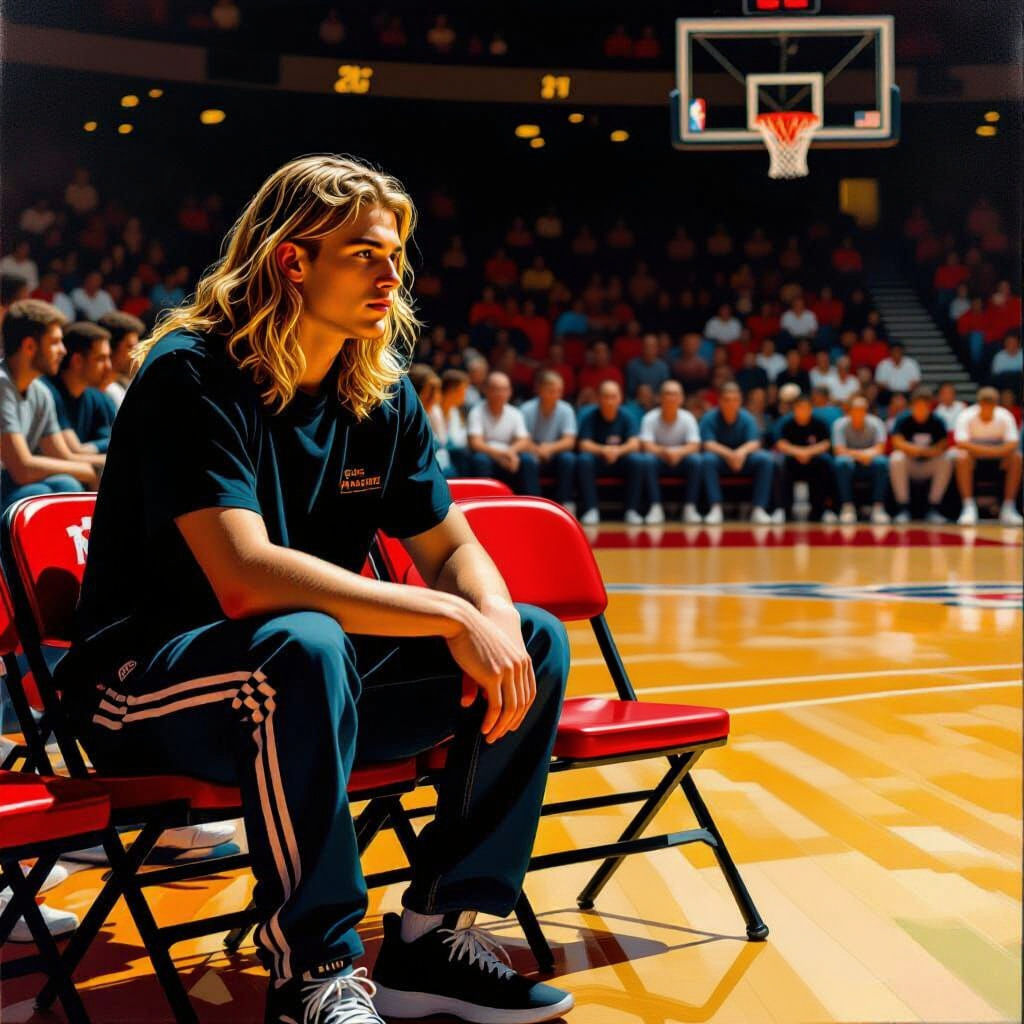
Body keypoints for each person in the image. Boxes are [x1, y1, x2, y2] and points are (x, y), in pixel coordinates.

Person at [52, 156, 574, 1024]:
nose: (392, 274)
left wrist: (485, 615)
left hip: (301, 682)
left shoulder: (378, 386)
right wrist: (447, 614)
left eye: (396, 255)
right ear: (293, 261)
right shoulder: (192, 373)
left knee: (536, 638)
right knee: (305, 643)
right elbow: (245, 578)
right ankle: (315, 973)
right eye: (366, 253)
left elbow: (454, 547)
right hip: (146, 691)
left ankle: (430, 937)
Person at [0, 300, 98, 511]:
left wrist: (101, 466)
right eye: (54, 342)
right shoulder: (1, 384)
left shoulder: (41, 392)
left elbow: (62, 456)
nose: (63, 351)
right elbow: (22, 469)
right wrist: (88, 470)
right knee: (41, 495)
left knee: (66, 484)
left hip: (9, 485)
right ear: (29, 346)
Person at [576, 379, 651, 525]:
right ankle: (591, 509)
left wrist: (617, 451)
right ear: (598, 398)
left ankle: (632, 510)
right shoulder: (590, 417)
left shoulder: (628, 416)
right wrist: (603, 449)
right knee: (584, 460)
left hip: (620, 460)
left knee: (637, 460)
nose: (610, 401)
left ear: (620, 398)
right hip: (598, 460)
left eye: (613, 396)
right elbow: (584, 444)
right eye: (606, 396)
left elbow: (634, 444)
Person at [699, 382, 775, 524]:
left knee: (765, 459)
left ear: (740, 401)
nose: (731, 403)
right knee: (707, 459)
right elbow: (708, 444)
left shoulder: (747, 417)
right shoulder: (709, 417)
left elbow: (754, 442)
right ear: (720, 401)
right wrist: (730, 454)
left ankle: (759, 509)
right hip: (720, 460)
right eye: (727, 400)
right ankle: (715, 508)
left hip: (743, 459)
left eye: (735, 400)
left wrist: (740, 452)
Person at [39, 321, 116, 458]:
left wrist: (93, 448)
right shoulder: (47, 391)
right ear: (77, 361)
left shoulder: (96, 397)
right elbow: (74, 451)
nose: (109, 366)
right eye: (101, 359)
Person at [953, 386, 1023, 526]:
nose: (987, 408)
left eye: (990, 404)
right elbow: (961, 443)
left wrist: (987, 451)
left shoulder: (1005, 416)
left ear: (996, 405)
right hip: (974, 461)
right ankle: (968, 507)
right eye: (984, 404)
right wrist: (994, 451)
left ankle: (1009, 508)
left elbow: (1013, 444)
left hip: (999, 461)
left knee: (1017, 457)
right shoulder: (966, 415)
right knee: (961, 457)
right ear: (979, 404)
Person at [466, 372, 541, 495]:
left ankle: (533, 503)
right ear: (486, 390)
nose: (501, 393)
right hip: (488, 455)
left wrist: (511, 452)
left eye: (505, 389)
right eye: (496, 389)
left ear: (510, 392)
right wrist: (502, 454)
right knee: (480, 459)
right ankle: (483, 503)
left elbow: (524, 440)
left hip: (509, 456)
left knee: (528, 460)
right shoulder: (476, 412)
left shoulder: (515, 413)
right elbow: (475, 443)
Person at [639, 380, 702, 524]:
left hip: (681, 460)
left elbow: (695, 445)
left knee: (696, 460)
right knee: (646, 460)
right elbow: (646, 445)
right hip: (659, 459)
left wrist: (678, 452)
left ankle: (690, 507)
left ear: (681, 398)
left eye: (675, 394)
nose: (671, 398)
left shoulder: (688, 418)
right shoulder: (649, 418)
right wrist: (665, 452)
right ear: (660, 397)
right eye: (667, 394)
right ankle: (655, 507)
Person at [889, 386, 955, 524]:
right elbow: (897, 442)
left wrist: (926, 452)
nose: (920, 410)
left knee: (947, 458)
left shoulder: (938, 420)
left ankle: (934, 508)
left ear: (929, 407)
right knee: (896, 458)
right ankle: (903, 508)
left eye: (923, 406)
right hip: (910, 464)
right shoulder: (903, 419)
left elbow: (943, 445)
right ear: (912, 406)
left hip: (929, 464)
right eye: (917, 406)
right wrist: (917, 450)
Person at [774, 393, 838, 523]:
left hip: (814, 461)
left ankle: (822, 510)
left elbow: (826, 444)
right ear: (794, 409)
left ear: (811, 409)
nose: (802, 410)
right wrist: (799, 452)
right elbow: (780, 444)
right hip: (793, 461)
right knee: (781, 463)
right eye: (799, 407)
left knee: (826, 462)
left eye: (806, 407)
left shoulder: (819, 423)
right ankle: (783, 510)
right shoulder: (787, 423)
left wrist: (807, 452)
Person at [520, 371, 577, 511]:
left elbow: (569, 441)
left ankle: (565, 502)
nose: (556, 394)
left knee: (568, 458)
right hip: (532, 452)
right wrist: (538, 449)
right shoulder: (526, 409)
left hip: (555, 453)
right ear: (540, 389)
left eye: (559, 390)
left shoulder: (566, 409)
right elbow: (521, 439)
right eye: (551, 390)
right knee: (525, 459)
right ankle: (533, 503)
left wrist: (549, 448)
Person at [832, 396, 890, 524]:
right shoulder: (839, 424)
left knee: (882, 462)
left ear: (866, 411)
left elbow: (881, 448)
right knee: (841, 462)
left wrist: (867, 455)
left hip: (870, 462)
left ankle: (878, 508)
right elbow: (839, 450)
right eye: (856, 410)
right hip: (851, 463)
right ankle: (847, 507)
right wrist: (861, 454)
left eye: (862, 410)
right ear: (849, 411)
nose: (859, 412)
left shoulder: (876, 423)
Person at [97, 310, 145, 410]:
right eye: (130, 347)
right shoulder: (105, 393)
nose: (136, 354)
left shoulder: (123, 388)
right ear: (110, 348)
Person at [430, 369, 470, 477]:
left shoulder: (454, 411)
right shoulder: (434, 410)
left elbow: (460, 440)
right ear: (452, 390)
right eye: (463, 390)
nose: (465, 394)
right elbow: (440, 442)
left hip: (448, 455)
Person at [625, 334, 669, 399]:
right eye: (647, 346)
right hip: (637, 401)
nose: (649, 350)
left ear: (657, 349)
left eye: (652, 347)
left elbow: (665, 389)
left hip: (656, 402)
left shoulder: (663, 367)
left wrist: (655, 398)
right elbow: (630, 390)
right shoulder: (632, 366)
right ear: (642, 348)